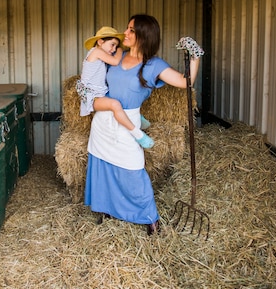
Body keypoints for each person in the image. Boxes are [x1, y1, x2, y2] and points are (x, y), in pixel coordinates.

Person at [84, 14, 204, 235]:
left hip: (127, 124)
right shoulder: (117, 56)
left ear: (144, 35)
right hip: (103, 122)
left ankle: (150, 219)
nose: (125, 34)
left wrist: (194, 57)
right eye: (127, 28)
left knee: (133, 168)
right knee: (104, 165)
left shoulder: (153, 65)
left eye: (131, 30)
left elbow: (185, 82)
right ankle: (107, 210)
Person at [77, 26, 154, 148]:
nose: (113, 49)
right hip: (92, 97)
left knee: (119, 97)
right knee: (115, 105)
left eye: (115, 46)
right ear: (100, 41)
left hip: (100, 93)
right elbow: (115, 61)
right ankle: (139, 135)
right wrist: (119, 50)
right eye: (112, 45)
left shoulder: (101, 54)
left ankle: (137, 117)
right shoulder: (96, 52)